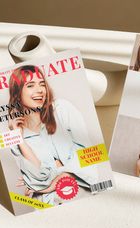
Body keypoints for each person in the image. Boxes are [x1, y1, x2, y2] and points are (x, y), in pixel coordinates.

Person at [8, 65, 98, 205]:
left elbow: (91, 153)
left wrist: (54, 179)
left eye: (42, 84)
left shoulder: (62, 109)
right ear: (17, 93)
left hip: (82, 194)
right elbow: (35, 177)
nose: (39, 90)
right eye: (30, 85)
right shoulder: (14, 136)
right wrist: (20, 140)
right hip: (47, 204)